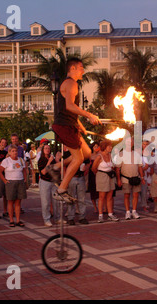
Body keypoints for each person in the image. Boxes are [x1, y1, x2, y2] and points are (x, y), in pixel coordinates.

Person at [51, 57, 101, 203]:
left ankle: (56, 166)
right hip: (65, 125)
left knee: (86, 153)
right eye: (81, 67)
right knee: (78, 158)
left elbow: (71, 111)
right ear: (72, 68)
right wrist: (89, 115)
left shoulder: (71, 84)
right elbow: (69, 106)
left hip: (70, 124)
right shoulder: (71, 83)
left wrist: (81, 125)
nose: (83, 71)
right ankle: (61, 190)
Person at [115, 137, 145, 219]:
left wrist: (142, 177)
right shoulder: (121, 154)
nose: (129, 143)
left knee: (136, 195)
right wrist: (118, 179)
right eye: (128, 142)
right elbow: (117, 168)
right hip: (125, 178)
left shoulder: (137, 154)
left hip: (135, 177)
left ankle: (134, 211)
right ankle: (127, 212)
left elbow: (140, 167)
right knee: (126, 195)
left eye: (131, 142)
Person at [0, 145, 28, 227]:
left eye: (16, 151)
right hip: (10, 182)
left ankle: (18, 220)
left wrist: (25, 179)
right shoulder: (6, 161)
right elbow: (0, 171)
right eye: (13, 151)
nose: (15, 152)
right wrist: (5, 180)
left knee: (18, 202)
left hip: (20, 181)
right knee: (10, 201)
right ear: (9, 152)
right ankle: (11, 220)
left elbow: (24, 169)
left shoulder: (21, 160)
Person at [92, 140, 119, 223]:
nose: (111, 148)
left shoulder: (111, 156)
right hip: (102, 176)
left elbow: (114, 166)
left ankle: (110, 214)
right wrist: (100, 174)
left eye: (111, 146)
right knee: (102, 196)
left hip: (110, 176)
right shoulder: (99, 156)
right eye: (109, 146)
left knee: (110, 196)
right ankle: (100, 215)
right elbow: (93, 168)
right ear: (104, 147)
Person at [37, 144, 59, 227]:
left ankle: (57, 218)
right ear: (43, 150)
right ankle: (46, 219)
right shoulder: (41, 160)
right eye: (46, 148)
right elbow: (43, 172)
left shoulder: (52, 159)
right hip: (45, 182)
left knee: (56, 201)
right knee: (46, 202)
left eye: (49, 148)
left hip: (53, 182)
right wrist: (49, 162)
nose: (47, 149)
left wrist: (56, 160)